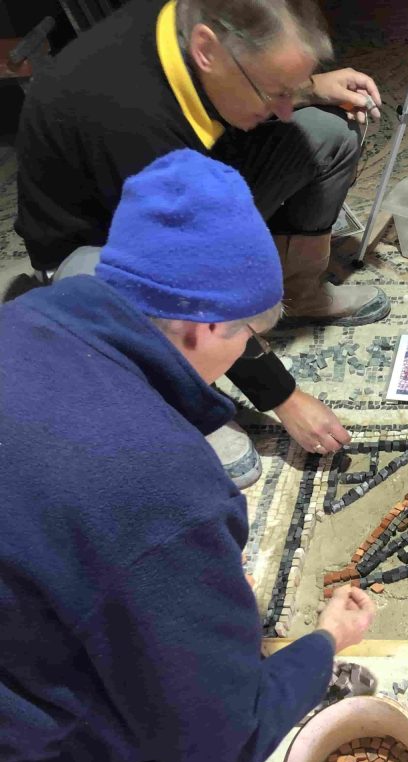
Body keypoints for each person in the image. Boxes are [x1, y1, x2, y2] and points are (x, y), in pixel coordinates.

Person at [0, 150, 375, 762]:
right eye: (249, 337)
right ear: (206, 328)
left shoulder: (23, 316)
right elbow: (222, 742)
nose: (247, 350)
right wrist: (325, 643)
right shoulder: (169, 494)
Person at [15, 0, 388, 486]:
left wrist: (306, 88)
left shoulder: (191, 21)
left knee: (326, 132)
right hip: (99, 252)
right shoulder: (129, 117)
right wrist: (284, 397)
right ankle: (184, 395)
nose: (281, 107)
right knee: (153, 304)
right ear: (208, 51)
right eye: (273, 90)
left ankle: (302, 291)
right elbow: (186, 276)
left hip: (191, 183)